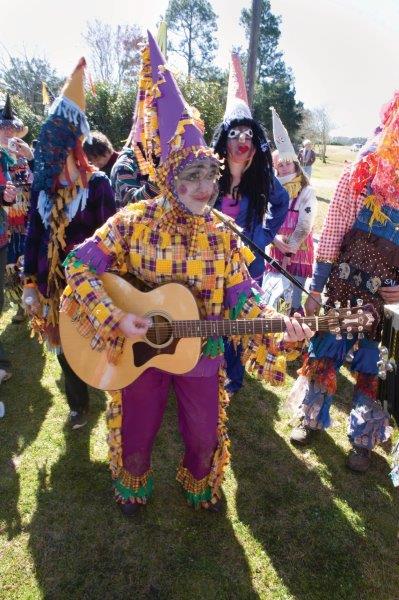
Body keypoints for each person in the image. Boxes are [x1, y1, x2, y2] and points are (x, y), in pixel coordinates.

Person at [61, 32, 312, 516]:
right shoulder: (134, 222)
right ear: (169, 178)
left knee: (203, 432)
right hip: (141, 352)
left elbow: (243, 298)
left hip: (205, 350)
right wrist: (115, 315)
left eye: (209, 176)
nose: (204, 188)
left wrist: (280, 326)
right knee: (138, 425)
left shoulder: (223, 233)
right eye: (190, 177)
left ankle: (200, 484)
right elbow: (77, 266)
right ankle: (132, 483)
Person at [288, 90, 399, 472]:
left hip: (383, 302)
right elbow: (332, 234)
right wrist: (315, 289)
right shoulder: (359, 174)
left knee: (372, 367)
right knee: (325, 350)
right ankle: (310, 418)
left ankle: (363, 441)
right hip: (343, 287)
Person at [22, 58, 116, 429]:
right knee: (64, 349)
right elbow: (33, 235)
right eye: (48, 154)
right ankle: (78, 403)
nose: (52, 162)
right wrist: (31, 284)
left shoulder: (98, 186)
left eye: (59, 153)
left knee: (100, 342)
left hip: (92, 286)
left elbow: (110, 240)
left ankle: (111, 388)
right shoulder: (43, 190)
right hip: (53, 287)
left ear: (77, 149)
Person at [211, 53, 289, 395]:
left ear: (255, 143)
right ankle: (211, 366)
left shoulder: (262, 177)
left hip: (249, 261)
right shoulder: (209, 176)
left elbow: (282, 201)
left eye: (248, 134)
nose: (242, 140)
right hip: (212, 258)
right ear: (224, 140)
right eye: (235, 133)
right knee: (213, 313)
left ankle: (235, 376)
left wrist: (264, 234)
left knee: (240, 317)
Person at [263, 107, 317, 315]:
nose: (284, 169)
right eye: (280, 166)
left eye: (288, 165)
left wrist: (289, 251)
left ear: (295, 164)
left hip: (298, 253)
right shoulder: (274, 189)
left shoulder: (306, 191)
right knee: (277, 301)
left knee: (293, 302)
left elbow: (304, 225)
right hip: (278, 249)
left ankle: (295, 344)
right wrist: (275, 240)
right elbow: (266, 217)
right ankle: (278, 343)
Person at [0, 95, 33, 323]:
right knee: (9, 265)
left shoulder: (23, 155)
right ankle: (19, 305)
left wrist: (30, 158)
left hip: (25, 214)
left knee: (26, 257)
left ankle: (30, 302)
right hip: (6, 220)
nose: (9, 134)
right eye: (4, 130)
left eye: (12, 131)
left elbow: (37, 182)